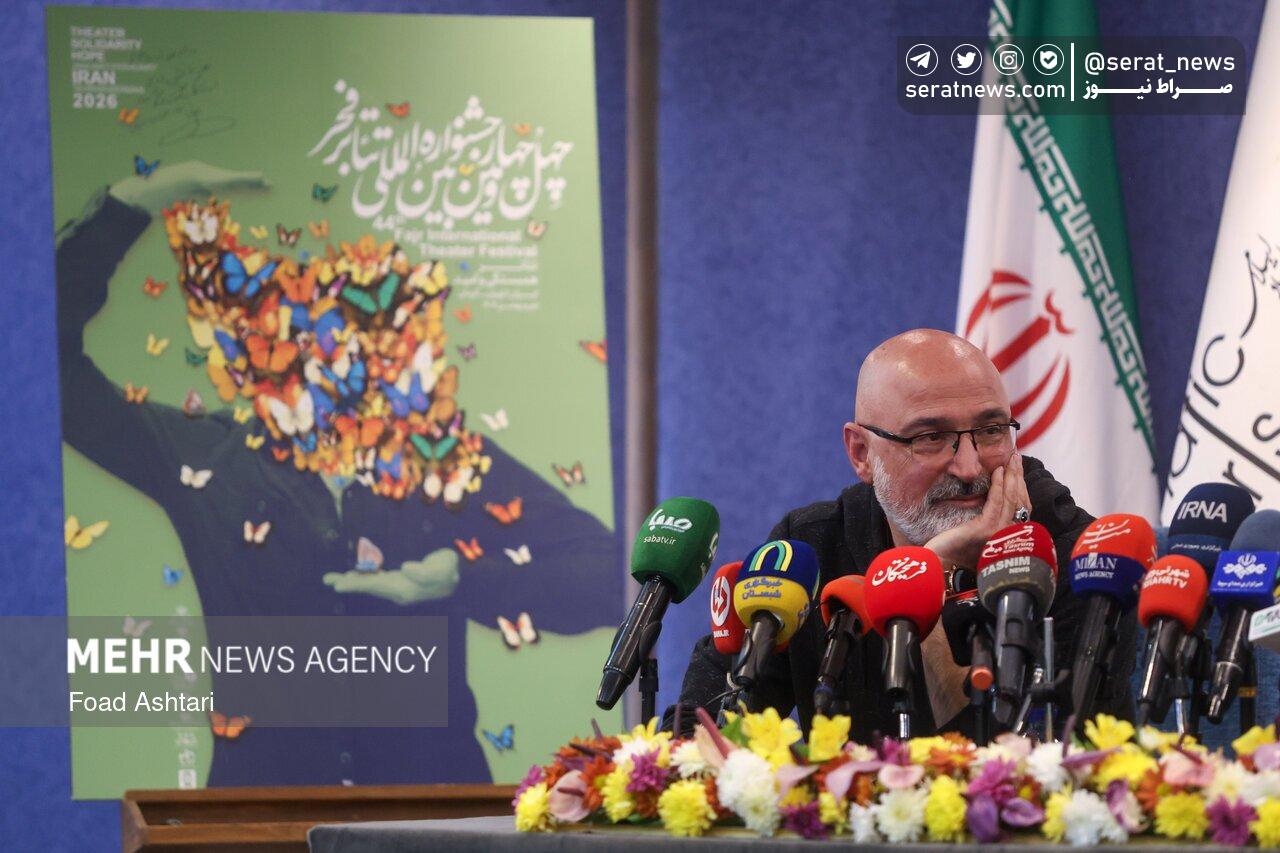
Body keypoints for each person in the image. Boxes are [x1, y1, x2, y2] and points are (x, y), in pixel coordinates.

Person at [57, 162, 620, 784]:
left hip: (428, 809)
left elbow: (611, 579)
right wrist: (130, 204)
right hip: (264, 812)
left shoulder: (444, 460)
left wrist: (464, 579)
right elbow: (48, 368)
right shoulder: (208, 456)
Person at [665, 329, 1137, 742]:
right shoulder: (811, 547)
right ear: (861, 453)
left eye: (992, 430)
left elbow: (1026, 775)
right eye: (930, 437)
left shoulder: (1084, 560)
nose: (969, 466)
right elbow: (696, 733)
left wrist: (932, 572)